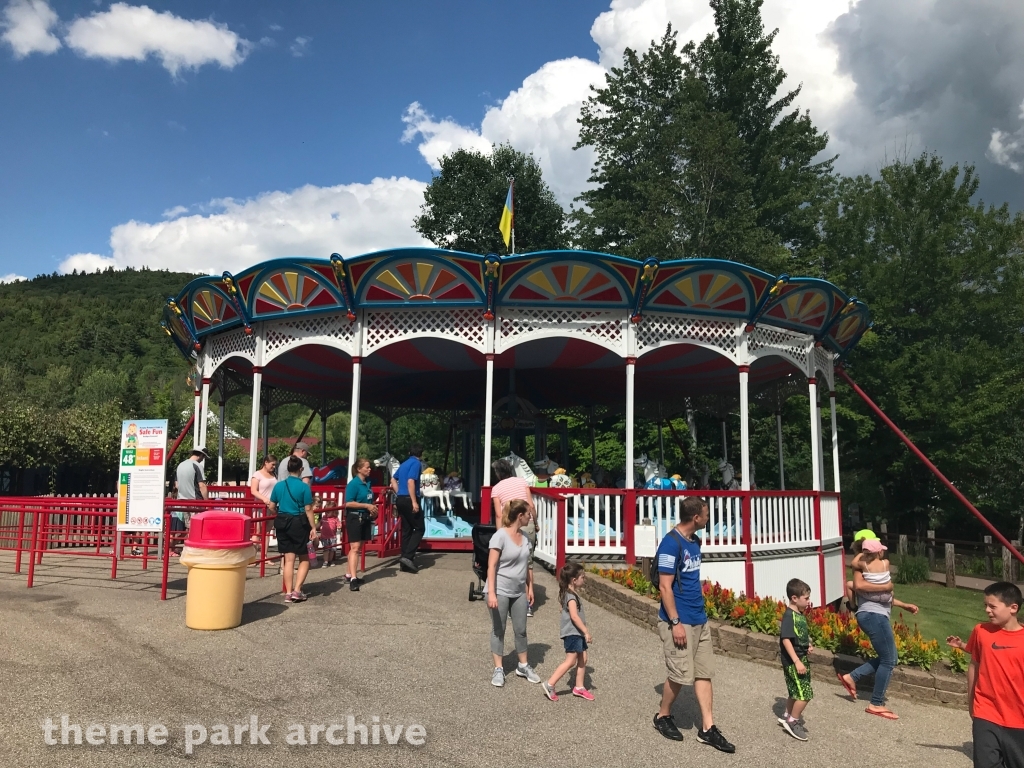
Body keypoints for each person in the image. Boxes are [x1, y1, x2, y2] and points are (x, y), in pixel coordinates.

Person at [653, 496, 735, 752]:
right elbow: (665, 586)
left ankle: (708, 729)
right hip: (679, 620)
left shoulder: (695, 541)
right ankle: (662, 715)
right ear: (696, 518)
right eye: (706, 514)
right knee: (679, 675)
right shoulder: (670, 544)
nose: (709, 517)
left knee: (703, 673)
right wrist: (675, 622)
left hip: (699, 618)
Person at [837, 538, 919, 719]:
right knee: (889, 660)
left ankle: (852, 677)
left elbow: (883, 598)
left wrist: (904, 605)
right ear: (878, 552)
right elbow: (858, 585)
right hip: (874, 617)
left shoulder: (869, 569)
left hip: (874, 616)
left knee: (888, 658)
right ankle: (876, 703)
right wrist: (887, 585)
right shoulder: (869, 568)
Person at [948, 582, 1024, 768]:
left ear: (1013, 607)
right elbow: (975, 664)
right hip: (986, 712)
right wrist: (972, 702)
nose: (987, 610)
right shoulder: (981, 631)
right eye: (985, 605)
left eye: (993, 606)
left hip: (1019, 718)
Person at [487, 498, 540, 688]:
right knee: (499, 629)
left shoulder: (525, 538)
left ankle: (523, 666)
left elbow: (527, 565)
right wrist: (491, 593)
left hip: (519, 591)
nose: (530, 518)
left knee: (521, 629)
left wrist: (529, 587)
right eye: (528, 515)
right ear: (520, 516)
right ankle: (499, 669)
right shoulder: (500, 536)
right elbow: (491, 566)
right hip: (499, 589)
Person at [542, 562, 594, 702]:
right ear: (574, 580)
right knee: (570, 661)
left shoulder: (569, 593)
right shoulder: (571, 597)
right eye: (582, 577)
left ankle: (579, 687)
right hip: (573, 633)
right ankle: (550, 684)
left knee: (583, 658)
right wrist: (586, 631)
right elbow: (574, 616)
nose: (584, 579)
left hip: (576, 633)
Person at [491, 459, 537, 615]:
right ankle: (528, 602)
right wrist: (535, 522)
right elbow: (530, 505)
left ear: (497, 474)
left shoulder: (496, 489)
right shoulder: (522, 481)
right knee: (527, 563)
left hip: (509, 527)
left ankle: (512, 600)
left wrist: (500, 533)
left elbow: (499, 514)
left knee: (508, 564)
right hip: (527, 522)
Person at [269, 455, 317, 603]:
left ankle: (288, 593)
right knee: (304, 558)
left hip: (282, 522)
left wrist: (278, 513)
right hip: (298, 523)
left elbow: (271, 506)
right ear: (301, 469)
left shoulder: (279, 485)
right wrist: (313, 527)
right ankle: (297, 590)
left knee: (288, 560)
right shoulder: (304, 487)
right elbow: (308, 508)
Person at [778, 578, 814, 741]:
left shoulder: (798, 614)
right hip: (794, 661)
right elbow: (786, 639)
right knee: (805, 693)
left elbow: (798, 636)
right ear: (794, 598)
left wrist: (808, 645)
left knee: (795, 690)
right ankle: (793, 721)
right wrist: (797, 661)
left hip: (800, 657)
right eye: (806, 598)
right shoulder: (789, 616)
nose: (808, 601)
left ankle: (787, 714)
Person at [344, 458, 377, 591]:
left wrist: (373, 509)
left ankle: (349, 573)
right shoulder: (353, 484)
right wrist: (366, 505)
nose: (369, 469)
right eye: (367, 467)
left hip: (365, 517)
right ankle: (353, 578)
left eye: (370, 467)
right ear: (359, 469)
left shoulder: (368, 483)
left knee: (359, 546)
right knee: (355, 547)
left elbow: (370, 499)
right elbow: (348, 503)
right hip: (354, 517)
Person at [392, 444, 424, 573]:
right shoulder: (416, 464)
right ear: (421, 454)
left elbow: (393, 479)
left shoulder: (404, 463)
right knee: (420, 528)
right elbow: (411, 481)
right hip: (410, 498)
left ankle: (404, 562)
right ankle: (408, 556)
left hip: (400, 498)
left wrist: (399, 492)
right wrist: (414, 501)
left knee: (407, 529)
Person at [172, 448, 210, 553]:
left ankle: (173, 547)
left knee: (188, 526)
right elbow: (202, 485)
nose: (203, 459)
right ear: (201, 455)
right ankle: (193, 549)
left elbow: (177, 485)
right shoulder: (197, 466)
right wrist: (207, 502)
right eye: (204, 457)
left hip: (182, 500)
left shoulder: (180, 465)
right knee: (196, 526)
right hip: (195, 500)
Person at [318, 501, 339, 569]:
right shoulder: (324, 518)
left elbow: (338, 524)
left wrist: (339, 526)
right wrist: (315, 526)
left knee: (332, 550)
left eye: (328, 512)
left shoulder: (335, 519)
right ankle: (325, 561)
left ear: (334, 512)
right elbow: (319, 524)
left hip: (332, 537)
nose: (326, 513)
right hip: (324, 536)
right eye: (325, 511)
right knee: (326, 550)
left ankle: (330, 560)